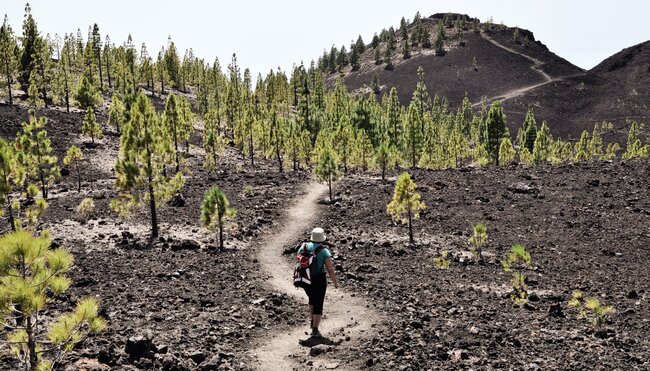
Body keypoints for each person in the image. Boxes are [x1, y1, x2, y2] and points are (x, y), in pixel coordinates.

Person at [298, 227, 339, 338]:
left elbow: (299, 259)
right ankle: (315, 330)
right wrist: (335, 283)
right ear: (321, 238)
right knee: (318, 303)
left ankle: (312, 321)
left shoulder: (304, 246)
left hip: (306, 279)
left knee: (312, 299)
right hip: (319, 279)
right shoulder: (324, 250)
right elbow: (330, 269)